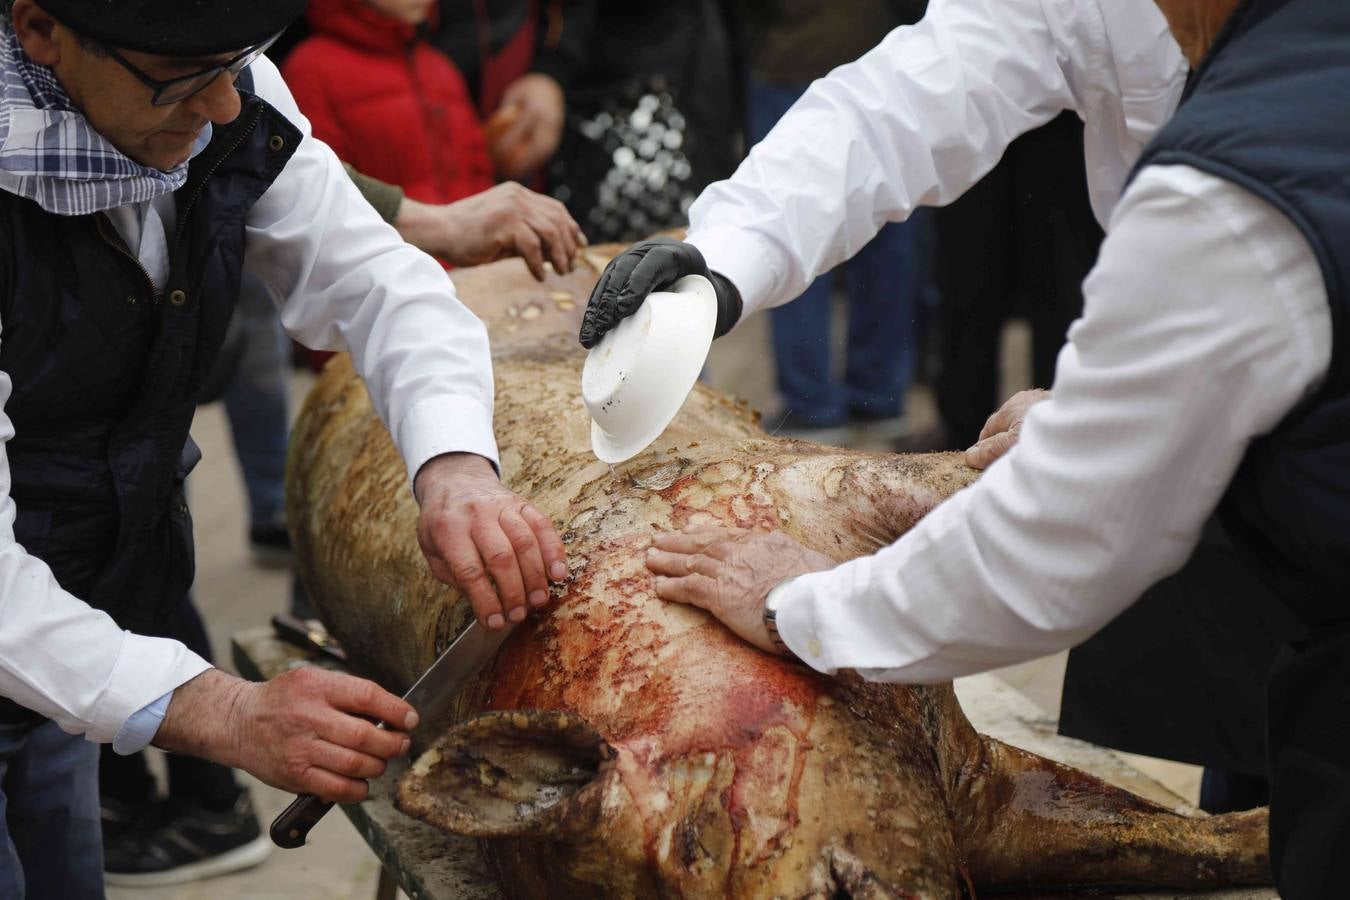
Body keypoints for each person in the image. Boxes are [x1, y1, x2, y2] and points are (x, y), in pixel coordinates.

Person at [580, 0, 1350, 894]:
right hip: (1290, 499)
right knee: (1254, 785)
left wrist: (802, 607)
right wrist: (721, 255)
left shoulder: (1229, 188)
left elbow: (1060, 543)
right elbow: (906, 99)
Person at [0, 1, 570, 894]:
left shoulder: (221, 91)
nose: (225, 105)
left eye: (236, 62)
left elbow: (381, 283)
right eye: (182, 78)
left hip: (71, 635)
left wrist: (456, 466)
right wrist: (221, 711)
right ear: (39, 31)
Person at [736, 0, 929, 437]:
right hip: (870, 48)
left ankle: (816, 404)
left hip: (806, 52)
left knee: (797, 223)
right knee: (879, 225)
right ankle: (872, 396)